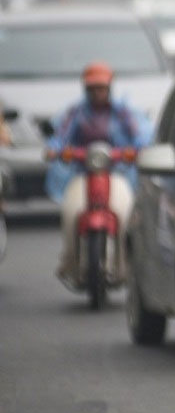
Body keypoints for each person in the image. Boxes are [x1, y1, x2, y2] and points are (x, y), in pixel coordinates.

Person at [46, 61, 152, 289]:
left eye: (101, 88)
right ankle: (71, 262)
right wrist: (56, 149)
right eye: (93, 88)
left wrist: (137, 151)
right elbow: (59, 137)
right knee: (70, 212)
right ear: (86, 89)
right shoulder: (76, 113)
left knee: (125, 214)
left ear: (109, 88)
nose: (97, 93)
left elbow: (141, 136)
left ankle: (125, 267)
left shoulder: (123, 113)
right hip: (83, 174)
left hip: (117, 174)